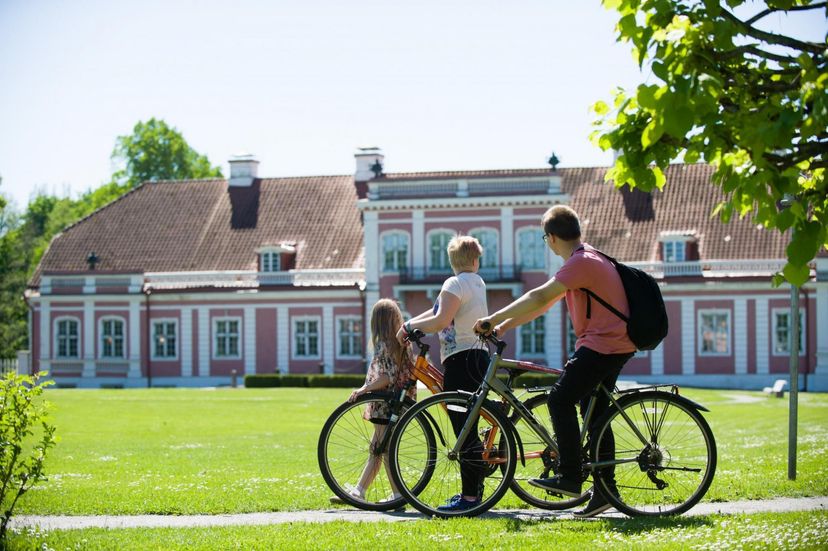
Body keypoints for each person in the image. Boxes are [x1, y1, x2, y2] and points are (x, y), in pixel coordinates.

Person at [473, 205, 635, 518]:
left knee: (560, 399)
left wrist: (492, 317)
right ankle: (605, 491)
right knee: (594, 414)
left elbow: (538, 296)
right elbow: (544, 304)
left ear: (551, 238)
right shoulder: (587, 259)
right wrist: (504, 326)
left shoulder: (581, 263)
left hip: (603, 344)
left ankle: (570, 476)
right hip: (614, 343)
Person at [396, 235, 489, 512]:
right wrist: (411, 324)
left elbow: (440, 320)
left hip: (461, 361)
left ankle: (469, 498)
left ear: (451, 262)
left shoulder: (454, 283)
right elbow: (439, 310)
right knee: (468, 424)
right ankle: (475, 489)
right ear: (475, 260)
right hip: (477, 357)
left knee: (463, 429)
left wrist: (408, 328)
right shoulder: (476, 282)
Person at [329, 298, 416, 506]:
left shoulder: (385, 344)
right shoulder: (400, 343)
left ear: (376, 321)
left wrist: (364, 389)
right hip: (396, 402)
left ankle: (395, 495)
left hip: (386, 404)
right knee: (377, 448)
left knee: (382, 449)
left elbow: (387, 377)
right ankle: (360, 491)